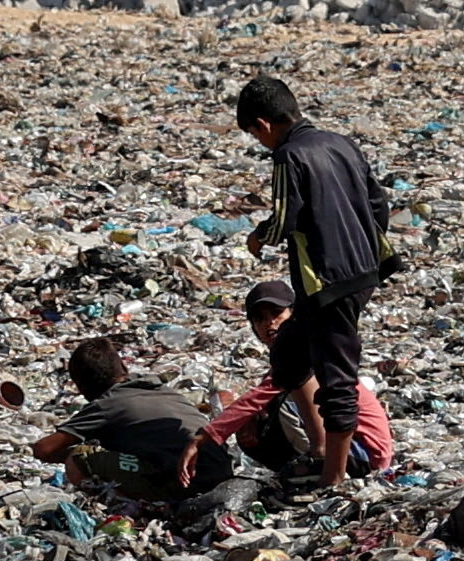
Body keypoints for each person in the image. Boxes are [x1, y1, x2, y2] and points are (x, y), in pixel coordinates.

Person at [233, 73, 393, 489]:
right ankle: (322, 451)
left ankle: (333, 476)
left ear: (263, 124)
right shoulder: (341, 143)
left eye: (256, 134)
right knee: (289, 358)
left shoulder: (289, 156)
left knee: (336, 377)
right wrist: (361, 248)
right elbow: (378, 204)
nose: (260, 142)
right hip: (359, 273)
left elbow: (285, 219)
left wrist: (258, 236)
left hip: (327, 283)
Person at [200, 277, 398, 482]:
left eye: (277, 313)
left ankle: (321, 459)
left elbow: (258, 397)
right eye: (260, 319)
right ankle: (308, 467)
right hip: (353, 450)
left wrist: (208, 435)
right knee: (257, 421)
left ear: (294, 315)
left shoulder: (307, 354)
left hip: (366, 453)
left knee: (281, 400)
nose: (269, 323)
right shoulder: (287, 358)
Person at [33, 336, 228, 513]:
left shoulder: (106, 404)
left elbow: (43, 449)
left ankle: (134, 511)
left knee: (79, 457)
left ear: (82, 388)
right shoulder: (160, 389)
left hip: (189, 485)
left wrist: (83, 454)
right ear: (124, 368)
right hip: (224, 476)